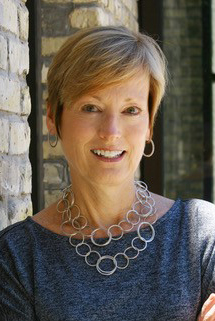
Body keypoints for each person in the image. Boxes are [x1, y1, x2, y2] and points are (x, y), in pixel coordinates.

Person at [0, 26, 215, 321]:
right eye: (91, 107)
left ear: (150, 124)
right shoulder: (16, 258)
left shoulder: (201, 236)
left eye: (131, 110)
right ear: (52, 117)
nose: (111, 133)